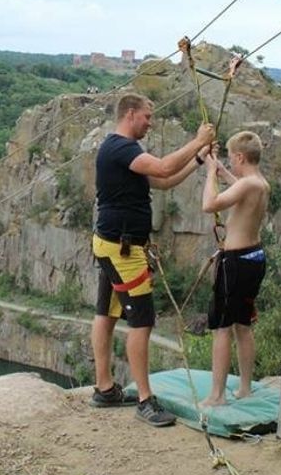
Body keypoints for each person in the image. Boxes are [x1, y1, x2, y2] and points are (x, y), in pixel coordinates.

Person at [90, 92, 216, 426]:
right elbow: (162, 166)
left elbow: (163, 181)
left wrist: (199, 159)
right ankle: (145, 400)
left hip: (112, 245)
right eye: (147, 116)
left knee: (106, 313)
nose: (151, 121)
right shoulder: (122, 148)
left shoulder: (120, 151)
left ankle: (104, 388)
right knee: (142, 322)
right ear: (130, 114)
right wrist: (197, 140)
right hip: (124, 250)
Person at [200, 131, 270, 405]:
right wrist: (220, 170)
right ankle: (244, 387)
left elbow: (210, 204)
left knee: (222, 327)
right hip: (254, 257)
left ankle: (217, 395)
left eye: (231, 158)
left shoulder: (247, 184)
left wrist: (209, 174)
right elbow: (238, 189)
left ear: (240, 156)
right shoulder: (260, 183)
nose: (231, 162)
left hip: (236, 262)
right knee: (243, 325)